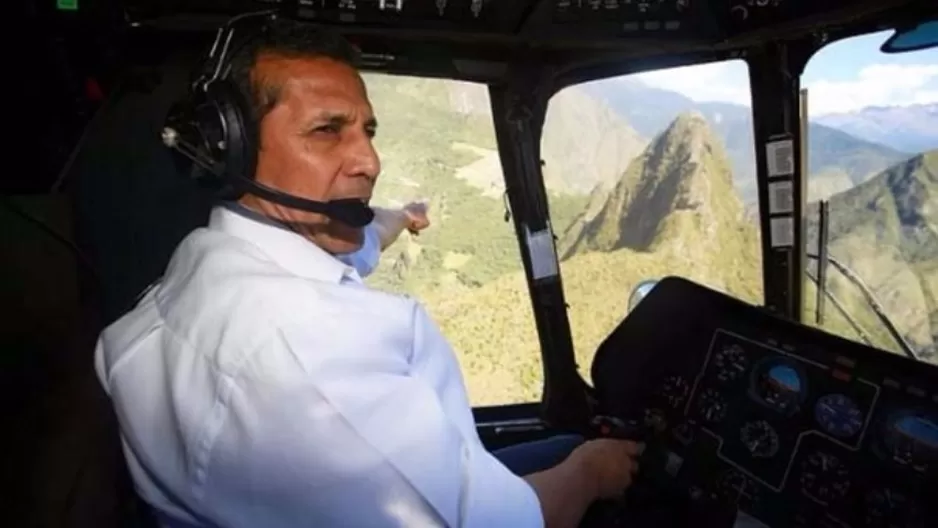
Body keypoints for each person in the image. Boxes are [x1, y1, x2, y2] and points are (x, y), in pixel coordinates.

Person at [94, 17, 641, 528]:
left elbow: (355, 241)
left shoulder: (200, 268)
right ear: (229, 150)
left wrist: (398, 219)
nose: (370, 161)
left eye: (368, 130)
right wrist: (593, 473)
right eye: (328, 130)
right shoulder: (310, 361)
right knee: (588, 461)